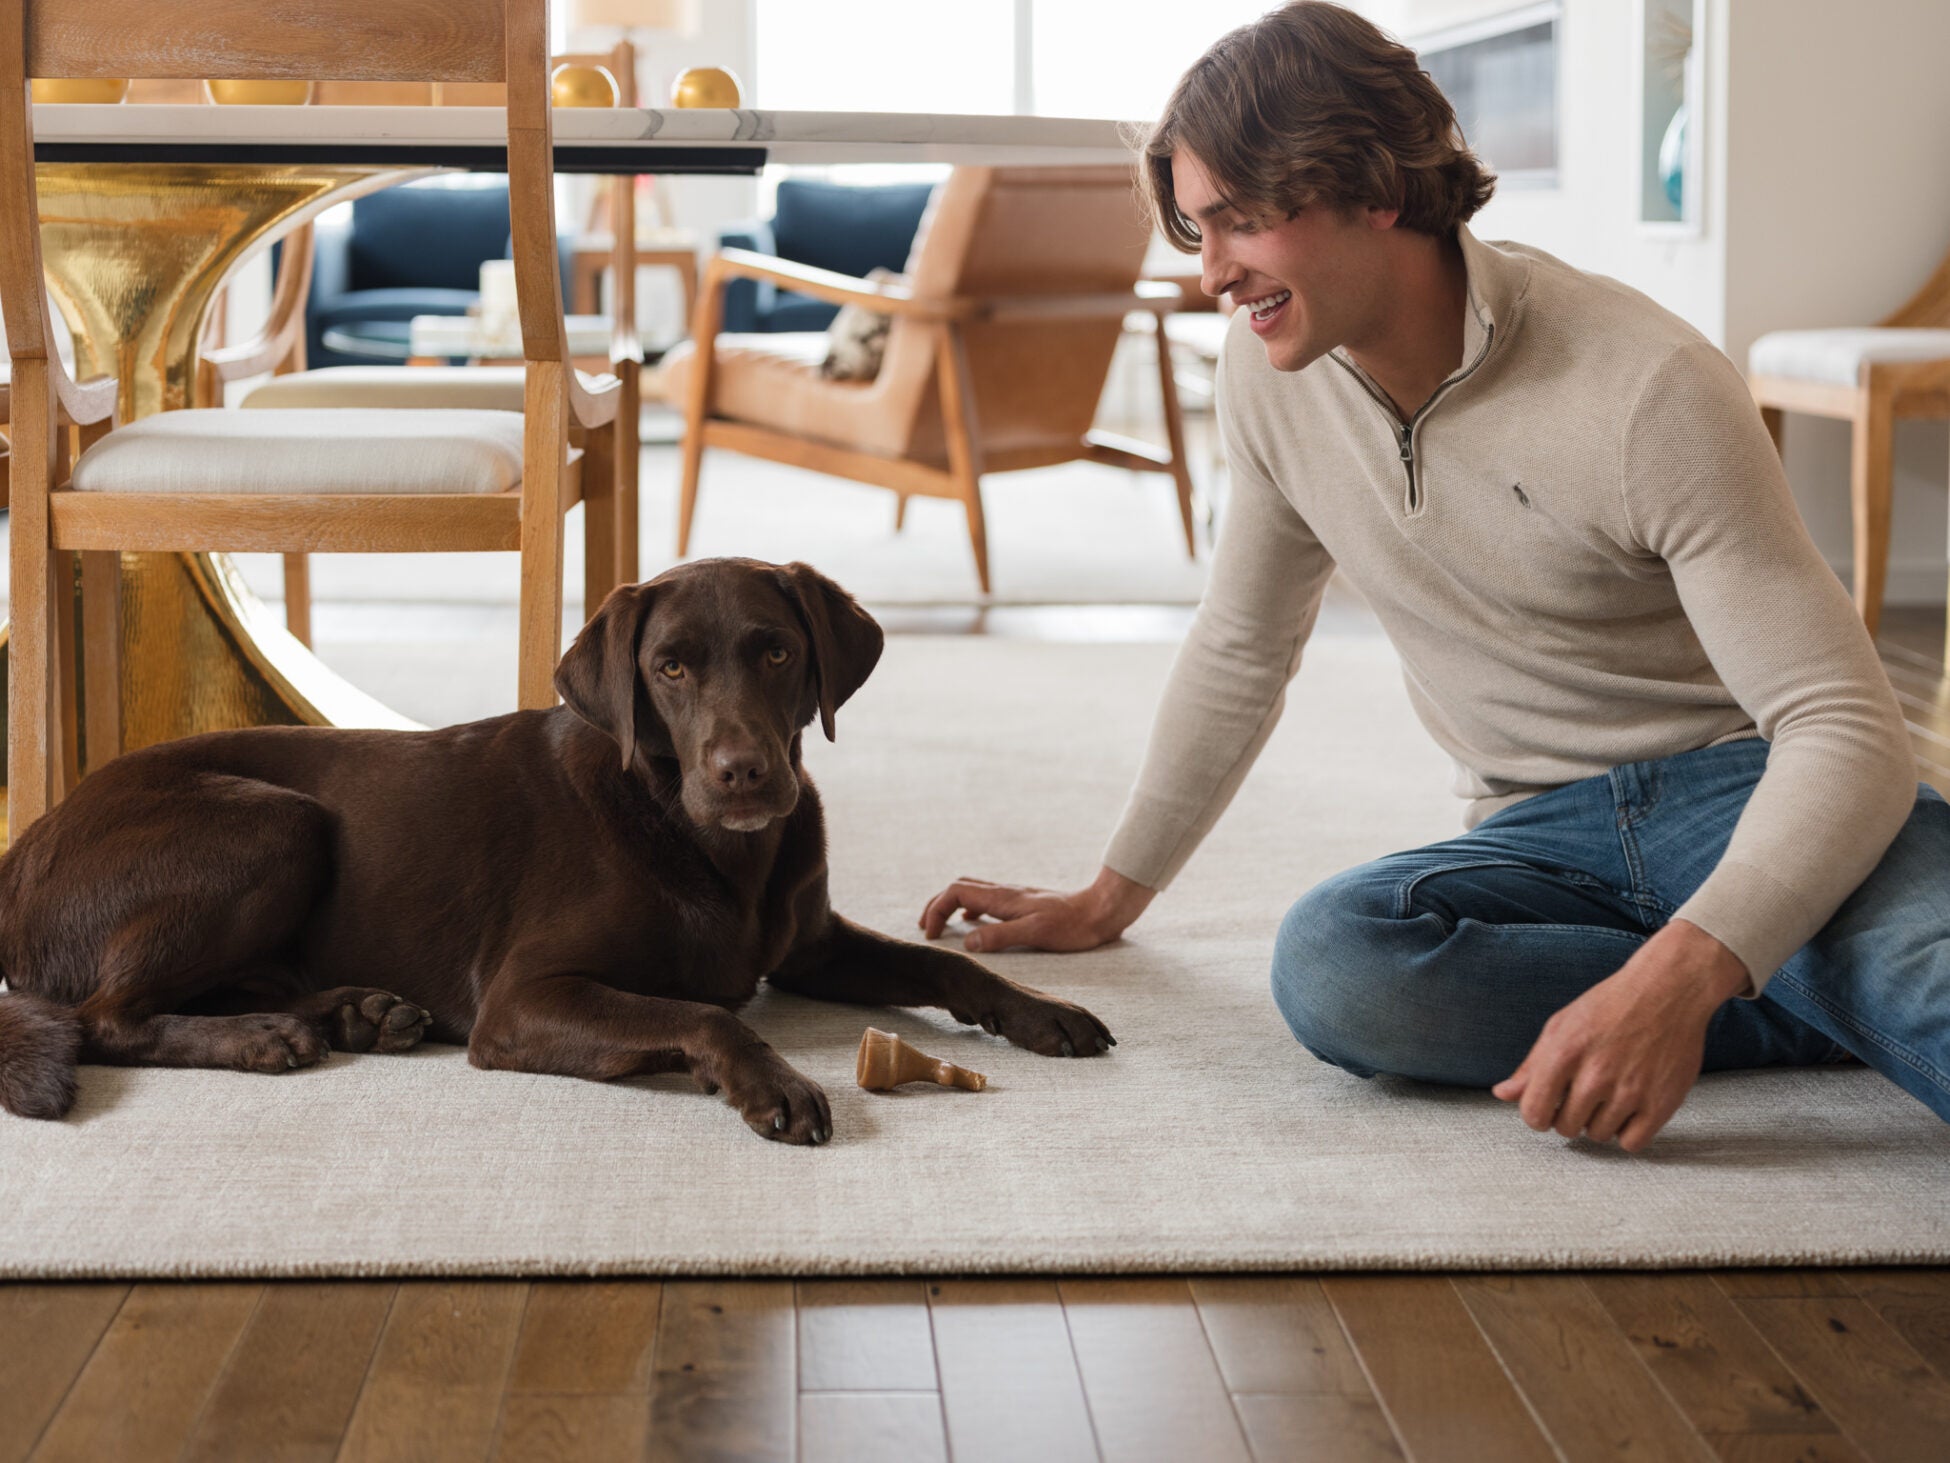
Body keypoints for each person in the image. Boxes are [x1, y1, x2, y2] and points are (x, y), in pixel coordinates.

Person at [919, 0, 1950, 1151]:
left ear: (1377, 187)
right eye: (1197, 231)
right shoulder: (1272, 378)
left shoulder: (1647, 385)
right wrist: (1109, 896)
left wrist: (1686, 964)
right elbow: (1241, 645)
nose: (1212, 273)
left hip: (1740, 786)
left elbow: (1846, 732)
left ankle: (1724, 972)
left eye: (1242, 221)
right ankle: (1778, 984)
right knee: (1339, 964)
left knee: (1936, 991)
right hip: (1530, 830)